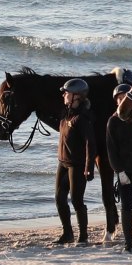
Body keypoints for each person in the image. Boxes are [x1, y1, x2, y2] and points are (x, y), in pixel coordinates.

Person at [55, 78, 97, 245]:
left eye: (67, 93)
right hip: (63, 163)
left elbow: (90, 143)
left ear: (77, 97)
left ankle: (83, 236)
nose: (64, 95)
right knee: (59, 198)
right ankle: (67, 233)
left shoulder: (82, 118)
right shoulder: (66, 114)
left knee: (76, 200)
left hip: (77, 164)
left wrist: (88, 167)